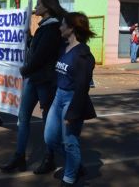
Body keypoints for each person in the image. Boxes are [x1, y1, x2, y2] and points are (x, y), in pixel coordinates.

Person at [0, 0, 66, 173]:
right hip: (34, 79)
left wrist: (23, 70)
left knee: (48, 121)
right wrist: (28, 37)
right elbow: (36, 50)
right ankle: (19, 157)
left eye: (38, 4)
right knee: (23, 118)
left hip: (44, 80)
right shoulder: (43, 27)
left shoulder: (52, 28)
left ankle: (49, 157)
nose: (36, 7)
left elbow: (41, 56)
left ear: (47, 7)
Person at [44, 12, 96, 186]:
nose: (60, 27)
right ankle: (76, 164)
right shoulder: (63, 47)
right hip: (59, 96)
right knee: (50, 138)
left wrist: (72, 113)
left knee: (70, 143)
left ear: (72, 28)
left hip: (72, 99)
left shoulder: (83, 56)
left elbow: (82, 87)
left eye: (63, 24)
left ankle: (69, 178)